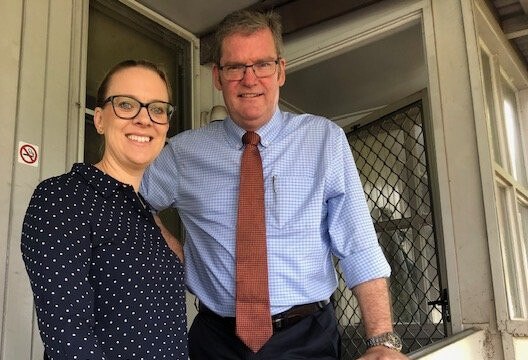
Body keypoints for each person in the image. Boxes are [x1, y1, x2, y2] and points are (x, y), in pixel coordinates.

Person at [141, 10, 408, 360]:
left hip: (307, 338)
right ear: (218, 77)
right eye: (235, 67)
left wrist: (382, 341)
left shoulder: (324, 140)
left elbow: (357, 244)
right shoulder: (183, 153)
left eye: (262, 64)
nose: (249, 79)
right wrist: (174, 253)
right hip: (216, 340)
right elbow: (129, 201)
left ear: (280, 70)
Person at [21, 59, 187, 359]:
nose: (144, 119)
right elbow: (70, 343)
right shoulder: (63, 197)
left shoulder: (144, 210)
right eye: (126, 104)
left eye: (157, 109)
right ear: (99, 119)